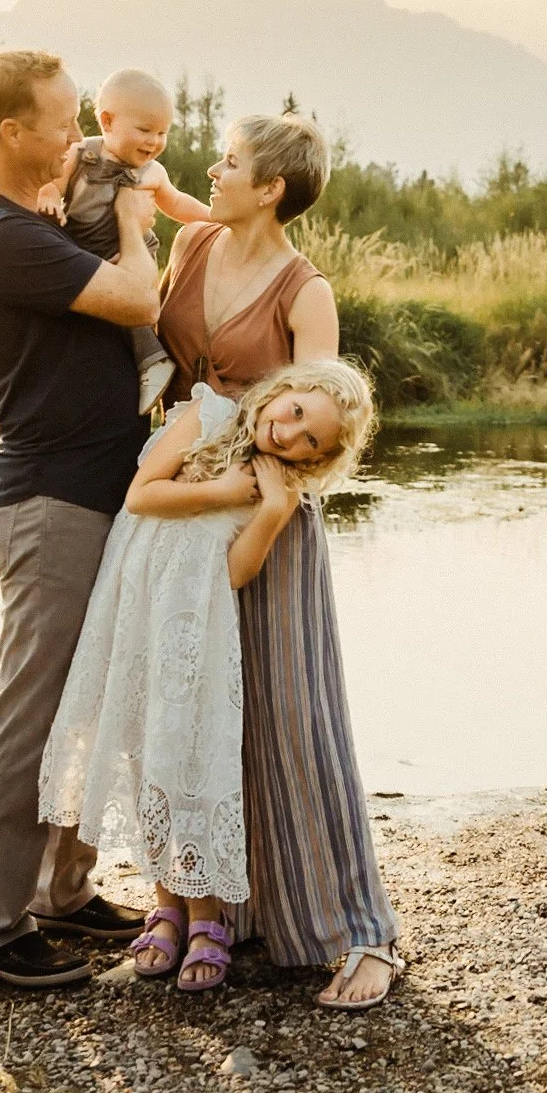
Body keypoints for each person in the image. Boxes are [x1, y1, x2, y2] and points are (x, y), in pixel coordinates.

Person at [157, 111, 403, 1010]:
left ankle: (359, 934)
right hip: (181, 502)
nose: (212, 172)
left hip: (268, 510)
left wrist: (251, 492)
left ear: (271, 189)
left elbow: (319, 417)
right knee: (208, 710)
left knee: (294, 714)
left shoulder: (306, 292)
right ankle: (248, 911)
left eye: (229, 164)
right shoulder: (189, 247)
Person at [39, 359, 376, 993]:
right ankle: (165, 908)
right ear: (282, 390)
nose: (291, 434)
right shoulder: (208, 414)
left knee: (196, 755)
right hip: (141, 606)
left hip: (201, 628)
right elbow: (143, 494)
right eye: (297, 412)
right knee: (149, 752)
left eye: (312, 441)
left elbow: (236, 573)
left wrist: (273, 511)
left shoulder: (283, 482)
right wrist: (226, 491)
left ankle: (206, 918)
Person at [0, 48, 159, 990]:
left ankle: (62, 896)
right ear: (11, 132)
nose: (79, 135)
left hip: (99, 493)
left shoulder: (35, 217)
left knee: (94, 703)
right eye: (66, 120)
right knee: (30, 716)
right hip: (50, 505)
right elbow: (135, 297)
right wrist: (132, 216)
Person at [57, 66, 213, 415]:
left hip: (130, 249)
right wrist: (49, 197)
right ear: (107, 122)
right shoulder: (81, 155)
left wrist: (214, 217)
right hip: (82, 249)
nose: (154, 141)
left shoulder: (152, 172)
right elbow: (54, 186)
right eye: (145, 130)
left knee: (136, 305)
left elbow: (176, 202)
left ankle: (154, 364)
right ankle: (140, 367)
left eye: (162, 132)